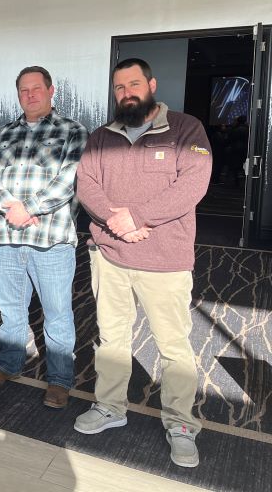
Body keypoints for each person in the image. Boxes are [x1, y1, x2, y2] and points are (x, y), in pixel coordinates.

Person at [74, 58, 211, 469]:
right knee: (113, 339)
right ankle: (110, 407)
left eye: (134, 84)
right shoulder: (102, 136)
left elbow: (193, 183)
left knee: (173, 345)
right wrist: (116, 222)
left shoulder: (187, 129)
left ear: (151, 84)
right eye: (119, 87)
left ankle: (181, 424)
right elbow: (87, 185)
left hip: (165, 260)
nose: (126, 92)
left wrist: (137, 217)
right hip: (111, 256)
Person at [0, 66, 88, 409]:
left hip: (51, 240)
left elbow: (69, 180)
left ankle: (59, 380)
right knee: (10, 308)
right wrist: (13, 208)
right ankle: (8, 365)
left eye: (36, 88)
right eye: (23, 90)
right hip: (8, 237)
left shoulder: (73, 131)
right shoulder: (3, 134)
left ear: (51, 90)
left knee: (57, 312)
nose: (30, 95)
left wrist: (31, 208)